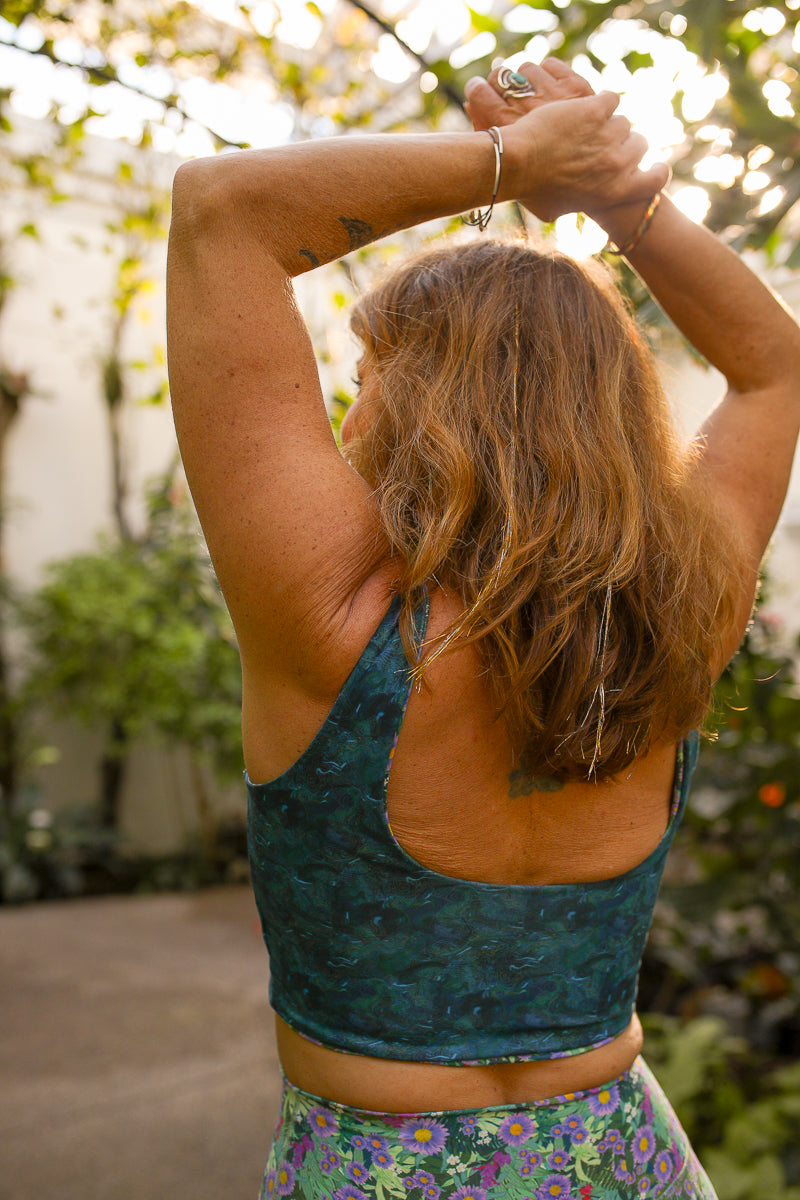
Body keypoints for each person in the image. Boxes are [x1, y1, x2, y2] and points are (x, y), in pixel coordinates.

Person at [166, 58, 800, 1200]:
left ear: (425, 409)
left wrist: (519, 161)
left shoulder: (333, 613)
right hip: (626, 1160)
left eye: (369, 378)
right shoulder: (682, 611)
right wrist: (616, 194)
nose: (352, 413)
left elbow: (224, 211)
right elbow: (774, 367)